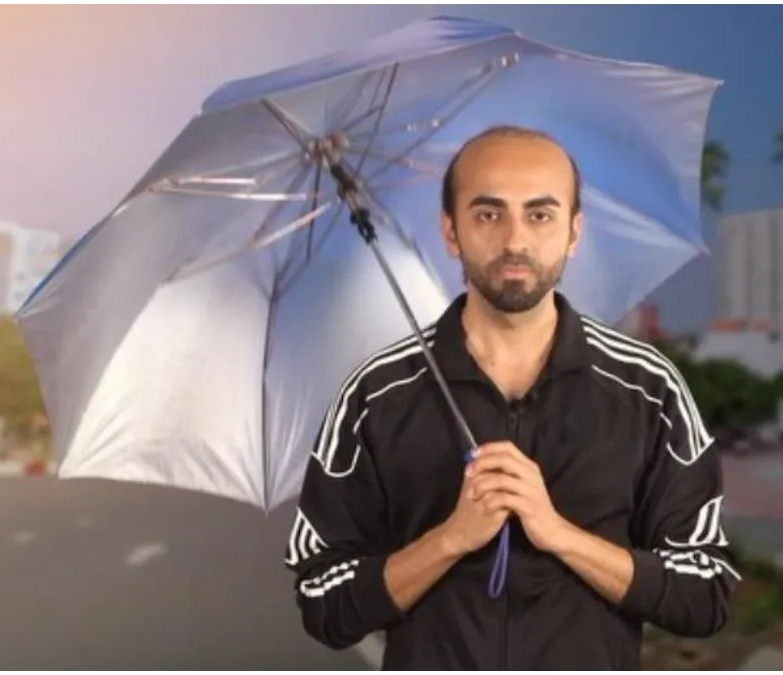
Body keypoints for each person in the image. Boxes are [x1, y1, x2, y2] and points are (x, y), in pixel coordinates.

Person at [284, 125, 738, 669]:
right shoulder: (376, 394)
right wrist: (450, 539)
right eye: (488, 214)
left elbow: (705, 595)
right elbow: (324, 604)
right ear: (451, 231)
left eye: (540, 215)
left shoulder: (649, 389)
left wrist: (559, 534)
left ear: (574, 232)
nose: (515, 240)